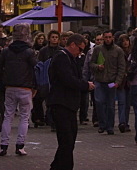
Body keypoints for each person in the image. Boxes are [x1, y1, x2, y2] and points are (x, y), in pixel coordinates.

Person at [46, 34, 93, 170]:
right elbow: (68, 79)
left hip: (68, 105)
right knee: (66, 140)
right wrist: (85, 85)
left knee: (69, 140)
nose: (80, 52)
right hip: (61, 104)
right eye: (80, 49)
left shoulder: (69, 58)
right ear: (72, 45)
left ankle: (57, 166)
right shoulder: (61, 57)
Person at [0, 23, 36, 156]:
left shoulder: (6, 51)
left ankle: (4, 145)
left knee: (8, 116)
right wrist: (34, 86)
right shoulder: (29, 52)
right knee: (24, 117)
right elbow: (36, 68)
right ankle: (20, 145)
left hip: (10, 87)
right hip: (25, 87)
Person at [90, 30, 125, 135]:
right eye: (106, 37)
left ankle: (110, 126)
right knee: (99, 102)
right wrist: (97, 67)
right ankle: (102, 124)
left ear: (113, 38)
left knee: (110, 105)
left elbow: (122, 67)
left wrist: (118, 81)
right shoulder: (97, 49)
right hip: (100, 80)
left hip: (111, 81)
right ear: (103, 38)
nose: (108, 39)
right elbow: (91, 63)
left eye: (109, 37)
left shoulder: (118, 50)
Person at [114, 33, 132, 133]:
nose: (125, 43)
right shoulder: (118, 52)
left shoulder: (132, 52)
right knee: (122, 102)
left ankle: (126, 122)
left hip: (129, 81)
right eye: (123, 41)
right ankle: (122, 122)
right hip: (121, 81)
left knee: (128, 103)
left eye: (127, 40)